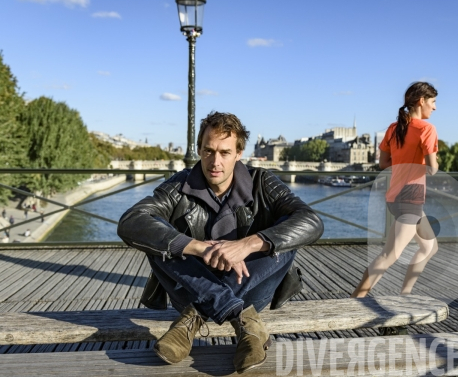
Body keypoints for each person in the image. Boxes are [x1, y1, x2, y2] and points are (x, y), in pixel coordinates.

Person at [117, 111, 323, 373]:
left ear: (239, 154)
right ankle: (244, 321)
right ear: (200, 150)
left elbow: (310, 220)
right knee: (158, 239)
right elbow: (131, 221)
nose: (215, 162)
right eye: (208, 151)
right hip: (190, 289)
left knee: (283, 239)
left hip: (251, 290)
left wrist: (247, 245)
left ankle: (194, 317)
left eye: (224, 153)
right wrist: (198, 247)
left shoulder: (262, 181)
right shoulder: (179, 185)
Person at [352, 82, 439, 301]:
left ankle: (405, 295)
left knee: (430, 247)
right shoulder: (427, 129)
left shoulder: (393, 128)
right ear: (422, 101)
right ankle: (354, 301)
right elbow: (432, 169)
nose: (435, 108)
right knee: (389, 255)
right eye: (433, 102)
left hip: (397, 196)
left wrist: (404, 161)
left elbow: (383, 163)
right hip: (411, 198)